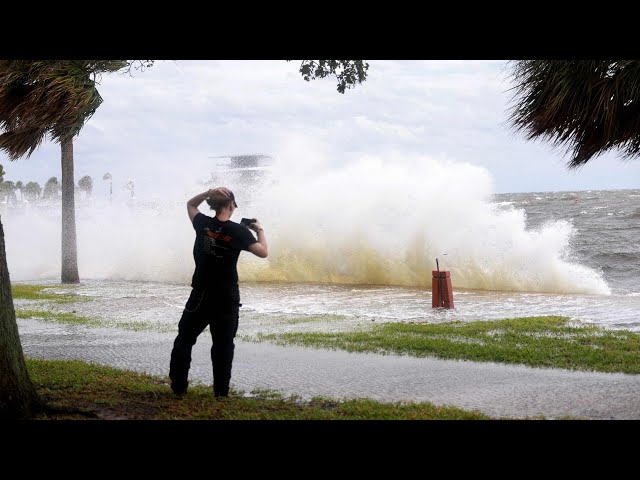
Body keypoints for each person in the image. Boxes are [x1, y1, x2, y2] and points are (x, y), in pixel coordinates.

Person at [169, 186, 268, 397]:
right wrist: (258, 229)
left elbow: (190, 204)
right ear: (231, 205)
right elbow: (263, 252)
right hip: (226, 296)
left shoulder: (203, 223)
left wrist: (208, 192)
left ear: (213, 204)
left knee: (184, 339)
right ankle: (220, 393)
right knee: (223, 346)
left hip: (200, 294)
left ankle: (178, 388)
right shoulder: (239, 231)